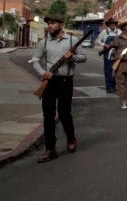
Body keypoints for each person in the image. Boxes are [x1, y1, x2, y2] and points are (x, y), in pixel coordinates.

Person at [31, 15, 87, 163]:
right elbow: (35, 60)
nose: (49, 26)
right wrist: (43, 73)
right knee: (48, 115)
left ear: (61, 25)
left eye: (53, 23)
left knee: (64, 113)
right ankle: (50, 149)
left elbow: (83, 57)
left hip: (65, 81)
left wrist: (72, 57)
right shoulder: (43, 42)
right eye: (48, 23)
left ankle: (71, 137)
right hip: (49, 81)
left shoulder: (72, 40)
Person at [94, 18, 120, 93]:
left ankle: (114, 85)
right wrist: (104, 45)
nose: (112, 25)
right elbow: (97, 41)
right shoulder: (104, 32)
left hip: (117, 53)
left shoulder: (119, 32)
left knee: (117, 70)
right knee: (108, 70)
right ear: (108, 25)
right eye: (111, 24)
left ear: (115, 24)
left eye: (114, 23)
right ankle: (109, 87)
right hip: (107, 53)